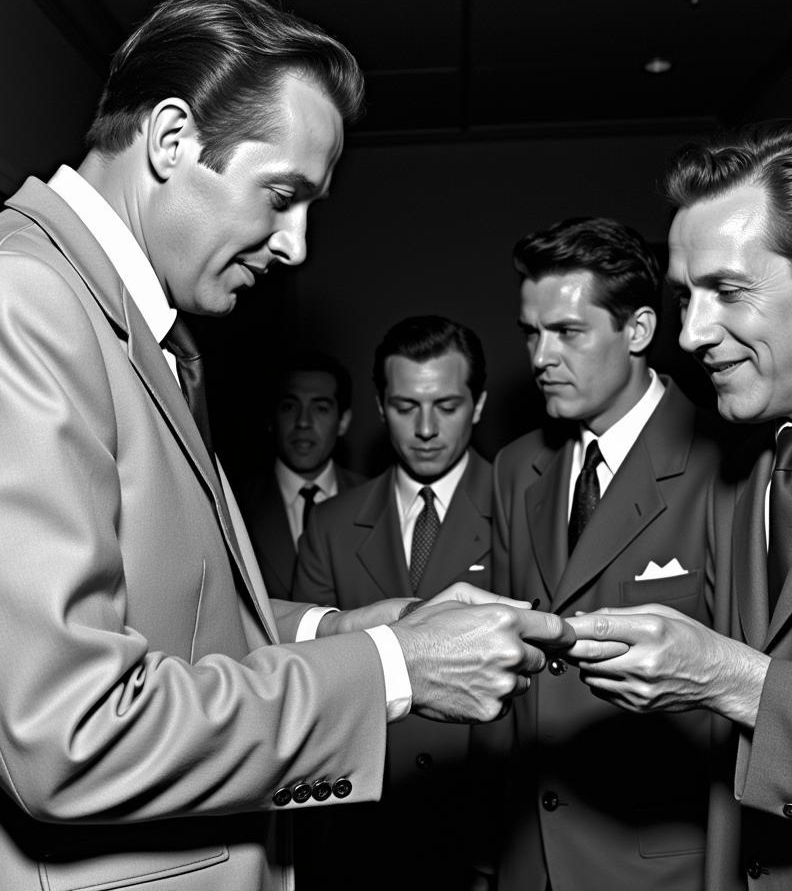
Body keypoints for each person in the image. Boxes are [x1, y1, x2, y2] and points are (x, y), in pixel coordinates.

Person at [0, 0, 573, 891]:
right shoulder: (10, 304)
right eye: (281, 195)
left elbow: (153, 614)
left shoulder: (113, 323)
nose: (298, 245)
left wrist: (337, 627)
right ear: (171, 139)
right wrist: (393, 670)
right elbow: (72, 735)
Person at [567, 120, 792, 889]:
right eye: (683, 297)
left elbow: (747, 687)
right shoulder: (752, 469)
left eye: (728, 292)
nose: (692, 333)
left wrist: (734, 680)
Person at [485, 217, 722, 891]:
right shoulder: (516, 467)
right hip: (528, 859)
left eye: (567, 333)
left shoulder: (723, 462)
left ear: (639, 331)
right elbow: (506, 677)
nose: (539, 358)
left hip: (657, 868)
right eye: (531, 333)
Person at [293, 314, 494, 891]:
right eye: (406, 406)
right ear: (380, 407)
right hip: (357, 828)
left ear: (477, 405)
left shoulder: (523, 508)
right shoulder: (330, 526)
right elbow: (307, 678)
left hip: (482, 827)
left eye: (448, 406)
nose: (426, 427)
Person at [236, 350, 365, 599]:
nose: (303, 422)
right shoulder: (234, 506)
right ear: (271, 418)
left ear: (343, 422)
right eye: (289, 406)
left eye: (321, 408)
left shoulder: (377, 501)